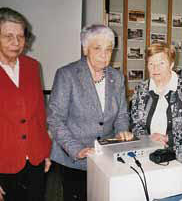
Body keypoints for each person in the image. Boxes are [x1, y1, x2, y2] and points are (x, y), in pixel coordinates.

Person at [47, 24, 133, 201]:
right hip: (74, 158)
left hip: (106, 157)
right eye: (97, 48)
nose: (104, 55)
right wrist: (77, 150)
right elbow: (55, 119)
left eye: (109, 49)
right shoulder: (67, 75)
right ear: (85, 49)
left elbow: (122, 114)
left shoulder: (116, 77)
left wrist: (122, 131)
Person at [130, 42, 182, 193]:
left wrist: (168, 137)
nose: (155, 68)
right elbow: (135, 122)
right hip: (150, 155)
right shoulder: (141, 89)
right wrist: (150, 137)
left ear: (171, 64)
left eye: (161, 63)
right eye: (151, 63)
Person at [0, 7, 52, 201]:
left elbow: (39, 113)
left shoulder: (32, 66)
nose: (16, 42)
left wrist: (45, 151)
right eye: (8, 36)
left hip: (35, 157)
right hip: (4, 163)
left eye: (21, 36)